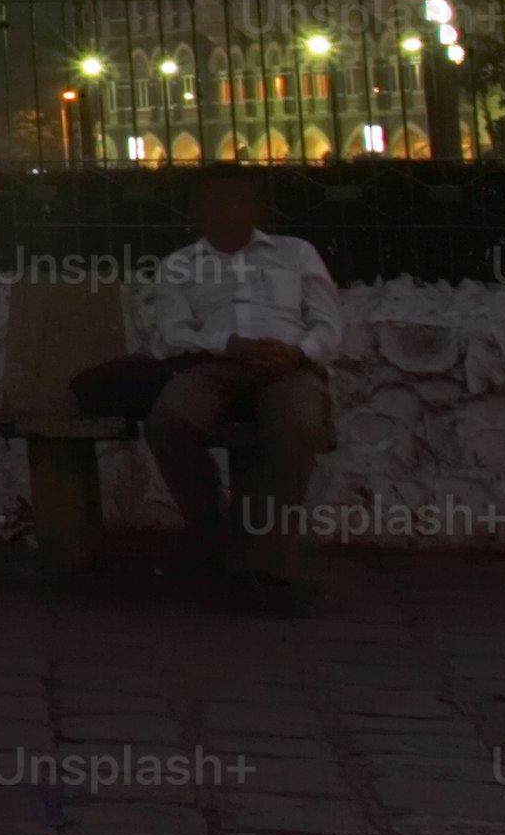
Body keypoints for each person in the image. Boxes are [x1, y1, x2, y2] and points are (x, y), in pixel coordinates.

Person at [68, 161, 343, 578]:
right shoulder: (179, 265)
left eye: (241, 199)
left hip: (288, 365)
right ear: (200, 209)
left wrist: (299, 354)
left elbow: (327, 323)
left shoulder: (296, 253)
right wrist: (228, 344)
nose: (231, 209)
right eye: (219, 201)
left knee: (299, 427)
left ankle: (268, 561)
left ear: (258, 207)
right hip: (214, 365)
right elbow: (176, 334)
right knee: (169, 421)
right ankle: (212, 529)